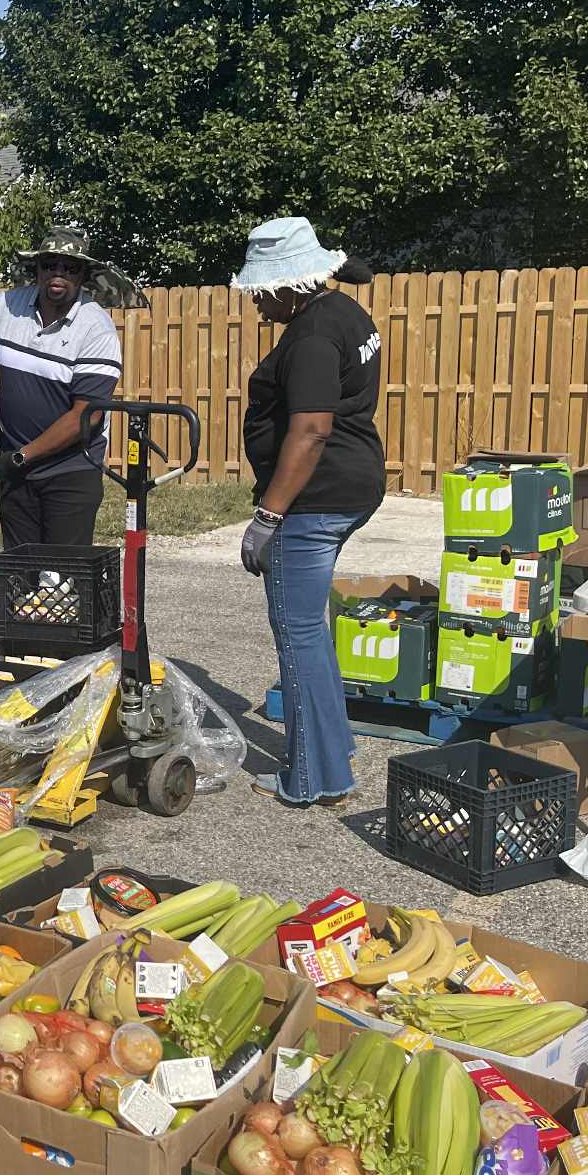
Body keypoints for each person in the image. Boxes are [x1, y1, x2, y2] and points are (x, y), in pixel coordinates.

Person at [234, 216, 384, 808]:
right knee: (310, 629)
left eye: (261, 291)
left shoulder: (313, 336)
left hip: (314, 500)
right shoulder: (344, 312)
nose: (256, 301)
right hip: (349, 487)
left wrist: (268, 517)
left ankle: (315, 778)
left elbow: (312, 429)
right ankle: (333, 746)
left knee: (295, 634)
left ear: (288, 284)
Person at [0, 226, 123, 549]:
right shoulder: (7, 306)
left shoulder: (96, 329)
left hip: (70, 472)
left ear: (83, 276)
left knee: (62, 572)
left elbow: (87, 416)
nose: (59, 273)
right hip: (14, 468)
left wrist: (23, 456)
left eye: (70, 267)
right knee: (20, 566)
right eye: (50, 264)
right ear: (36, 269)